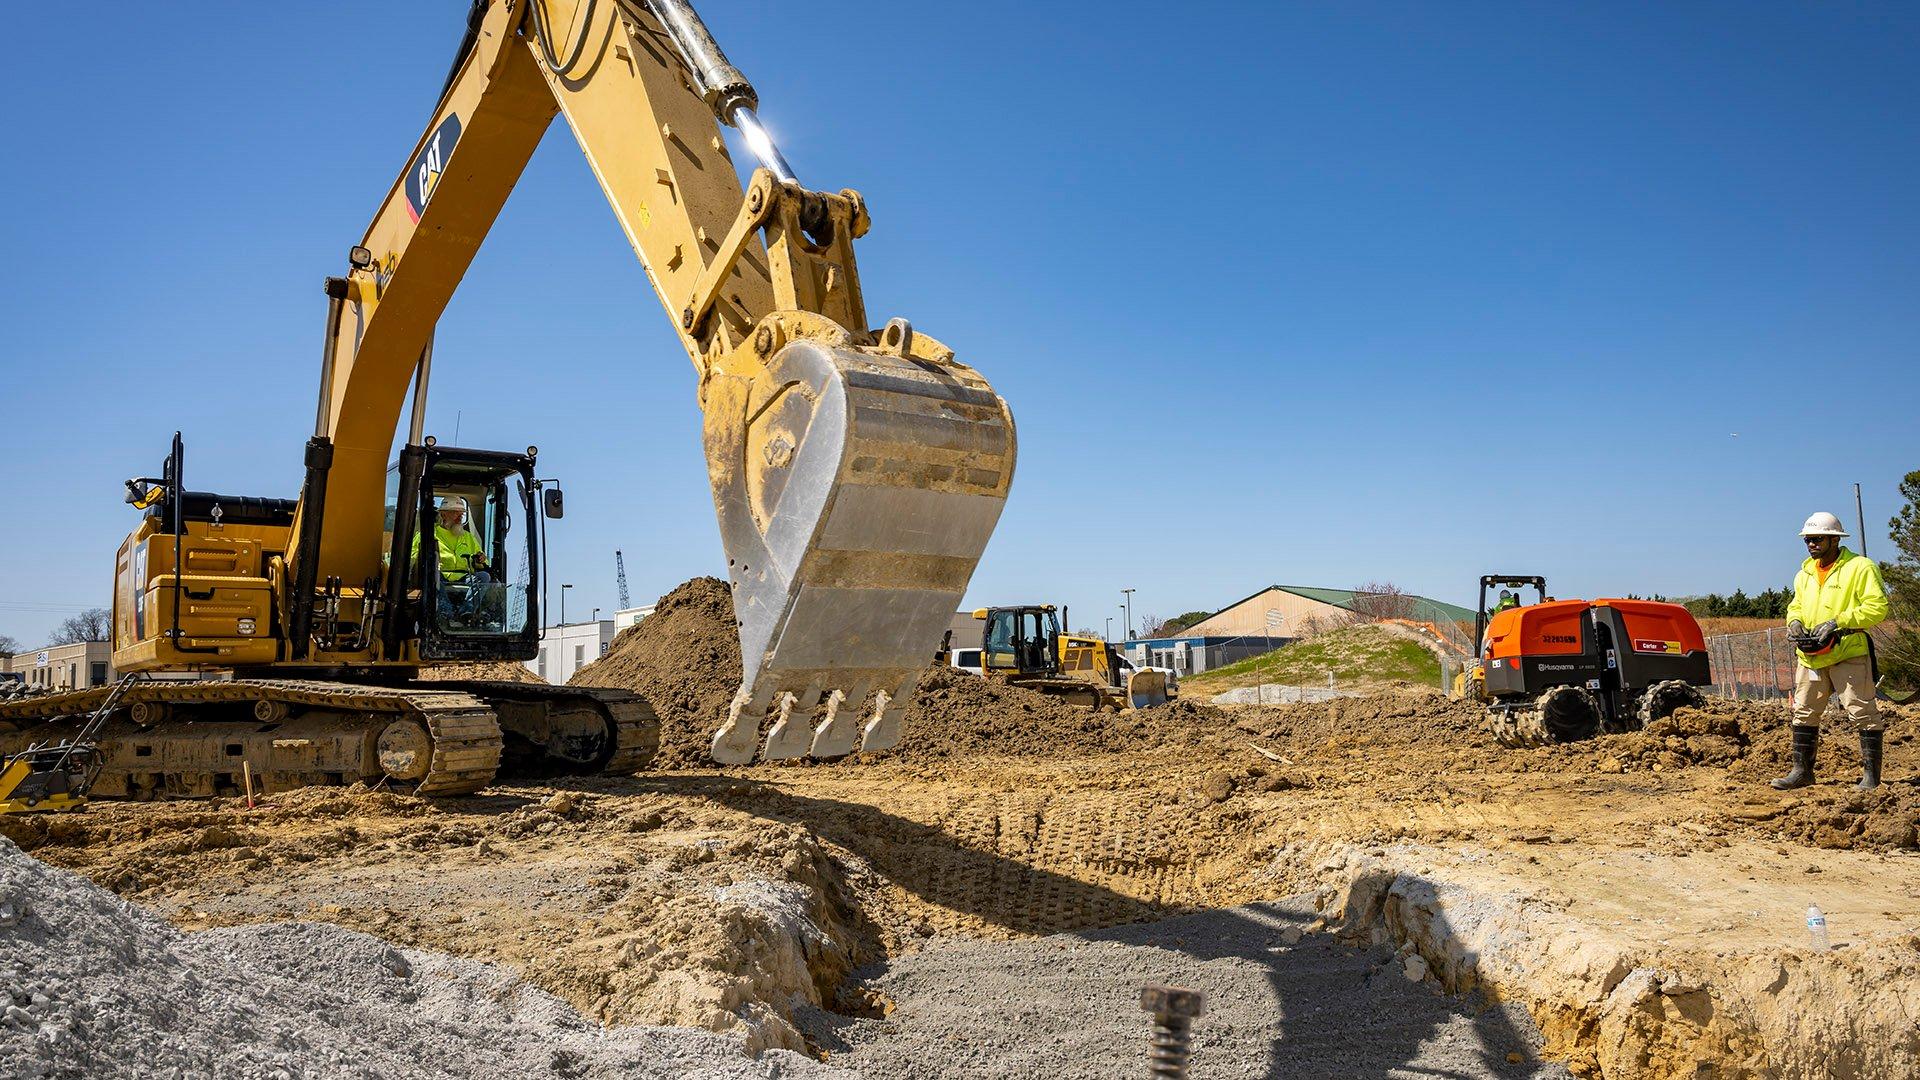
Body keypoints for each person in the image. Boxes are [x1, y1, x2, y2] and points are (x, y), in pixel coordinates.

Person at [1772, 511, 1889, 791]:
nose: (1811, 544)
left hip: (1847, 651)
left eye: (1817, 539)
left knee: (1862, 711)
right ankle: (1802, 772)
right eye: (1808, 540)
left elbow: (1877, 607)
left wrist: (1838, 622)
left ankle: (1871, 778)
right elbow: (1796, 605)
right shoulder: (1805, 573)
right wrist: (1795, 621)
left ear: (1834, 539)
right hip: (1811, 655)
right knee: (1803, 712)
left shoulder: (1860, 568)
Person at [414, 496, 491, 622]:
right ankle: (446, 612)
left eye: (462, 514)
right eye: (456, 513)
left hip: (464, 577)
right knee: (433, 574)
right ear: (443, 514)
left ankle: (466, 611)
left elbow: (483, 563)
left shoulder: (468, 537)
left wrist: (480, 560)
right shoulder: (428, 534)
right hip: (440, 576)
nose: (460, 517)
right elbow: (414, 559)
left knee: (484, 577)